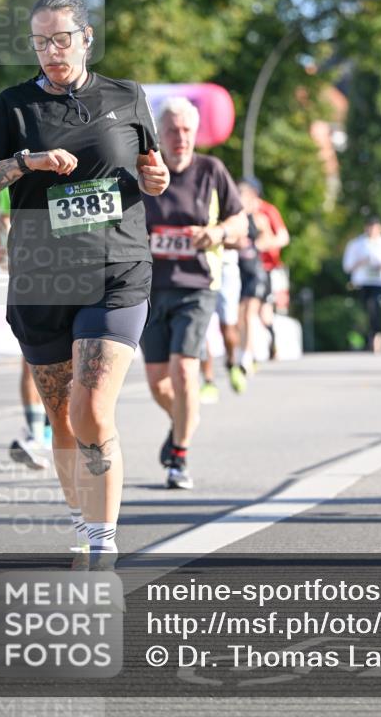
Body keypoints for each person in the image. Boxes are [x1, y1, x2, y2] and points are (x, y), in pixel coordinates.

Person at [0, 0, 170, 560]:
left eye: (62, 39)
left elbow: (152, 171)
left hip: (117, 268)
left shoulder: (127, 96)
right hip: (42, 276)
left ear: (87, 39)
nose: (51, 51)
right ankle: (83, 522)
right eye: (40, 42)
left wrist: (158, 181)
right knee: (61, 416)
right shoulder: (11, 107)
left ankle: (102, 546)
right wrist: (26, 161)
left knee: (91, 407)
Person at [140, 97, 247, 490]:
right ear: (160, 134)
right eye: (171, 130)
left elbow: (240, 222)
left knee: (184, 370)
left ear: (195, 134)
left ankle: (179, 458)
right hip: (150, 288)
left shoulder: (211, 170)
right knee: (157, 382)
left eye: (186, 130)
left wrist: (216, 234)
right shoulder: (146, 172)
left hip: (196, 286)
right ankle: (182, 421)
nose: (179, 137)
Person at [0, 195, 52, 470]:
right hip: (34, 282)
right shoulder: (13, 175)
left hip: (72, 278)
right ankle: (36, 434)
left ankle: (48, 430)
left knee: (63, 368)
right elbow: (2, 226)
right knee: (32, 362)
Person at [238, 177, 290, 362]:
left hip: (266, 268)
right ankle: (247, 353)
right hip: (244, 268)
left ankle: (270, 342)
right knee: (245, 311)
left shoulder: (267, 211)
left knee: (263, 313)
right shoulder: (237, 210)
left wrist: (261, 245)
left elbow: (283, 237)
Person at [342, 216, 381, 352]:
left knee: (375, 308)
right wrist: (361, 262)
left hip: (378, 282)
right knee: (363, 312)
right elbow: (347, 266)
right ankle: (363, 339)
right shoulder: (357, 244)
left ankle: (376, 337)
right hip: (361, 283)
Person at [200, 247, 247, 403]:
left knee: (227, 326)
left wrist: (217, 234)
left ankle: (232, 363)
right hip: (199, 266)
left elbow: (241, 239)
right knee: (201, 327)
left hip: (225, 268)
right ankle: (208, 381)